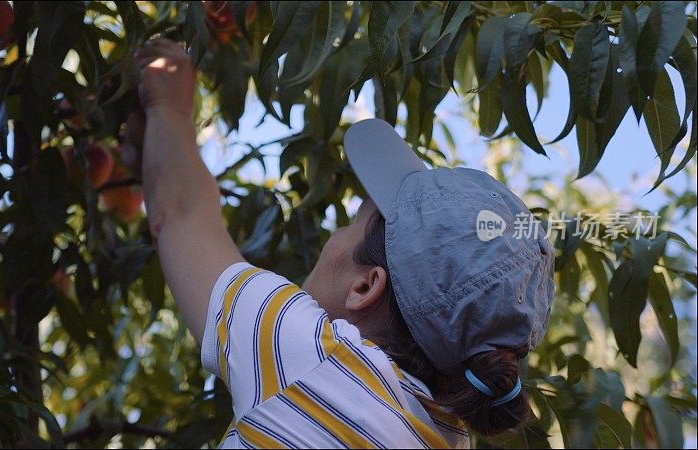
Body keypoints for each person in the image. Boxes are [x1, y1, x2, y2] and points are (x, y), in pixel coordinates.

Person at [135, 38, 555, 449]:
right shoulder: (452, 437)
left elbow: (178, 215)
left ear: (365, 287)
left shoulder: (312, 357)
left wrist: (166, 104)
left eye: (353, 221)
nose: (334, 233)